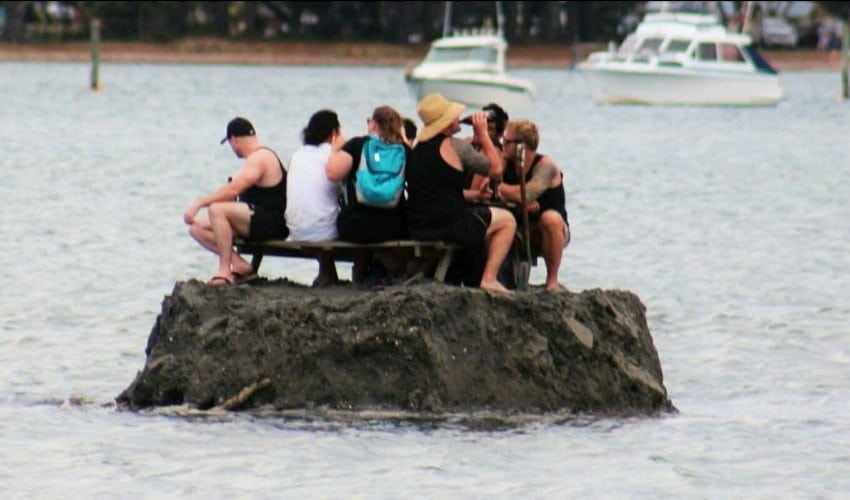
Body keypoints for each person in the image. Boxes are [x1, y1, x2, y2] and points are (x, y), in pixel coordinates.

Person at [405, 93, 516, 293]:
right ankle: (489, 278)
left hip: (419, 224)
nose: (458, 118)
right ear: (446, 124)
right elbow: (496, 170)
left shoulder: (418, 150)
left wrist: (475, 196)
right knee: (507, 220)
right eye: (453, 116)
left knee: (478, 217)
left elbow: (437, 192)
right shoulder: (455, 146)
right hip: (449, 225)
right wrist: (482, 134)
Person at [184, 117, 288, 286]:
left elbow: (234, 189)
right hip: (256, 219)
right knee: (196, 228)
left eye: (230, 144)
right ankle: (239, 264)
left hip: (273, 222)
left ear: (234, 140)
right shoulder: (252, 160)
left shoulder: (260, 157)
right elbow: (233, 192)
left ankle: (224, 271)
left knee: (216, 210)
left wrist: (199, 203)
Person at [326, 105, 410, 282]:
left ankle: (359, 275)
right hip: (393, 226)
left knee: (361, 232)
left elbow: (333, 173)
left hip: (356, 225)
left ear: (373, 124)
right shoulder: (404, 151)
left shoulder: (357, 145)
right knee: (383, 237)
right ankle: (392, 272)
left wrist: (335, 150)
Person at [496, 119, 571, 291]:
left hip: (548, 229)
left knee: (550, 219)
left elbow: (526, 194)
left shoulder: (546, 166)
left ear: (522, 146)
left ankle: (552, 280)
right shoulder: (505, 161)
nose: (503, 145)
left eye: (507, 142)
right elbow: (489, 187)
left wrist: (503, 190)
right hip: (516, 225)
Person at [285, 109, 342, 286]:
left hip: (295, 229)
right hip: (322, 231)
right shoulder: (332, 155)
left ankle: (327, 272)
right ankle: (360, 274)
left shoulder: (298, 155)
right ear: (334, 133)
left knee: (320, 208)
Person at [464, 102, 509, 202]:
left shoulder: (495, 153)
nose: (481, 129)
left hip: (479, 205)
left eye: (489, 129)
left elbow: (475, 192)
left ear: (499, 135)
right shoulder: (467, 142)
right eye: (482, 124)